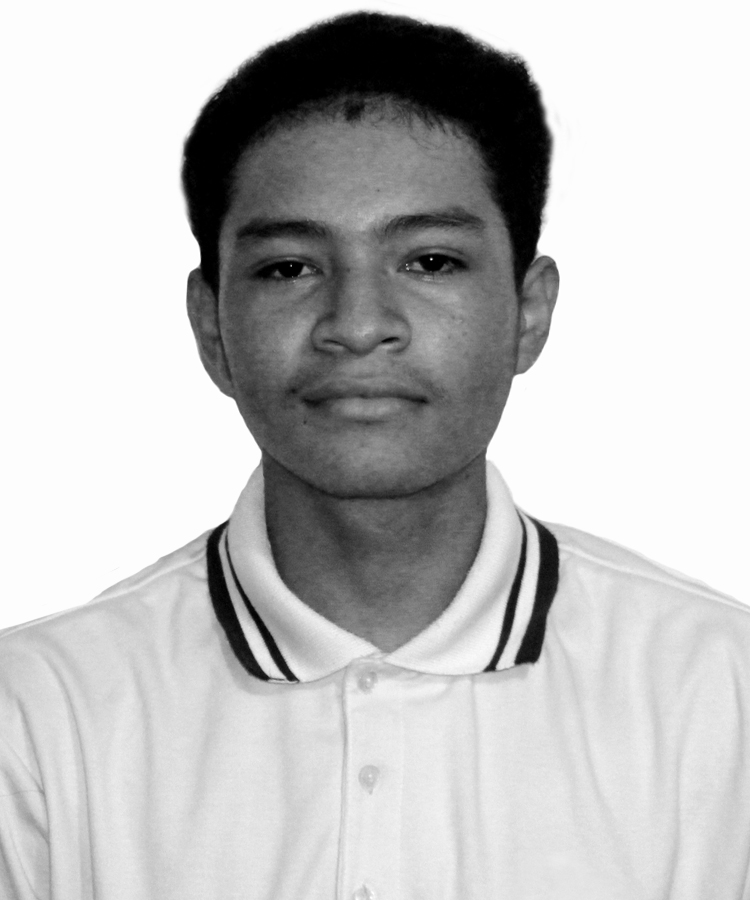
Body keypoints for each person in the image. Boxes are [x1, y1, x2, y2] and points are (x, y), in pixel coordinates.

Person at [1, 11, 748, 899]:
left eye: (429, 261)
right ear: (211, 327)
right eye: (290, 268)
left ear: (529, 311)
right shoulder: (37, 715)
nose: (357, 325)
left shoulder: (724, 695)